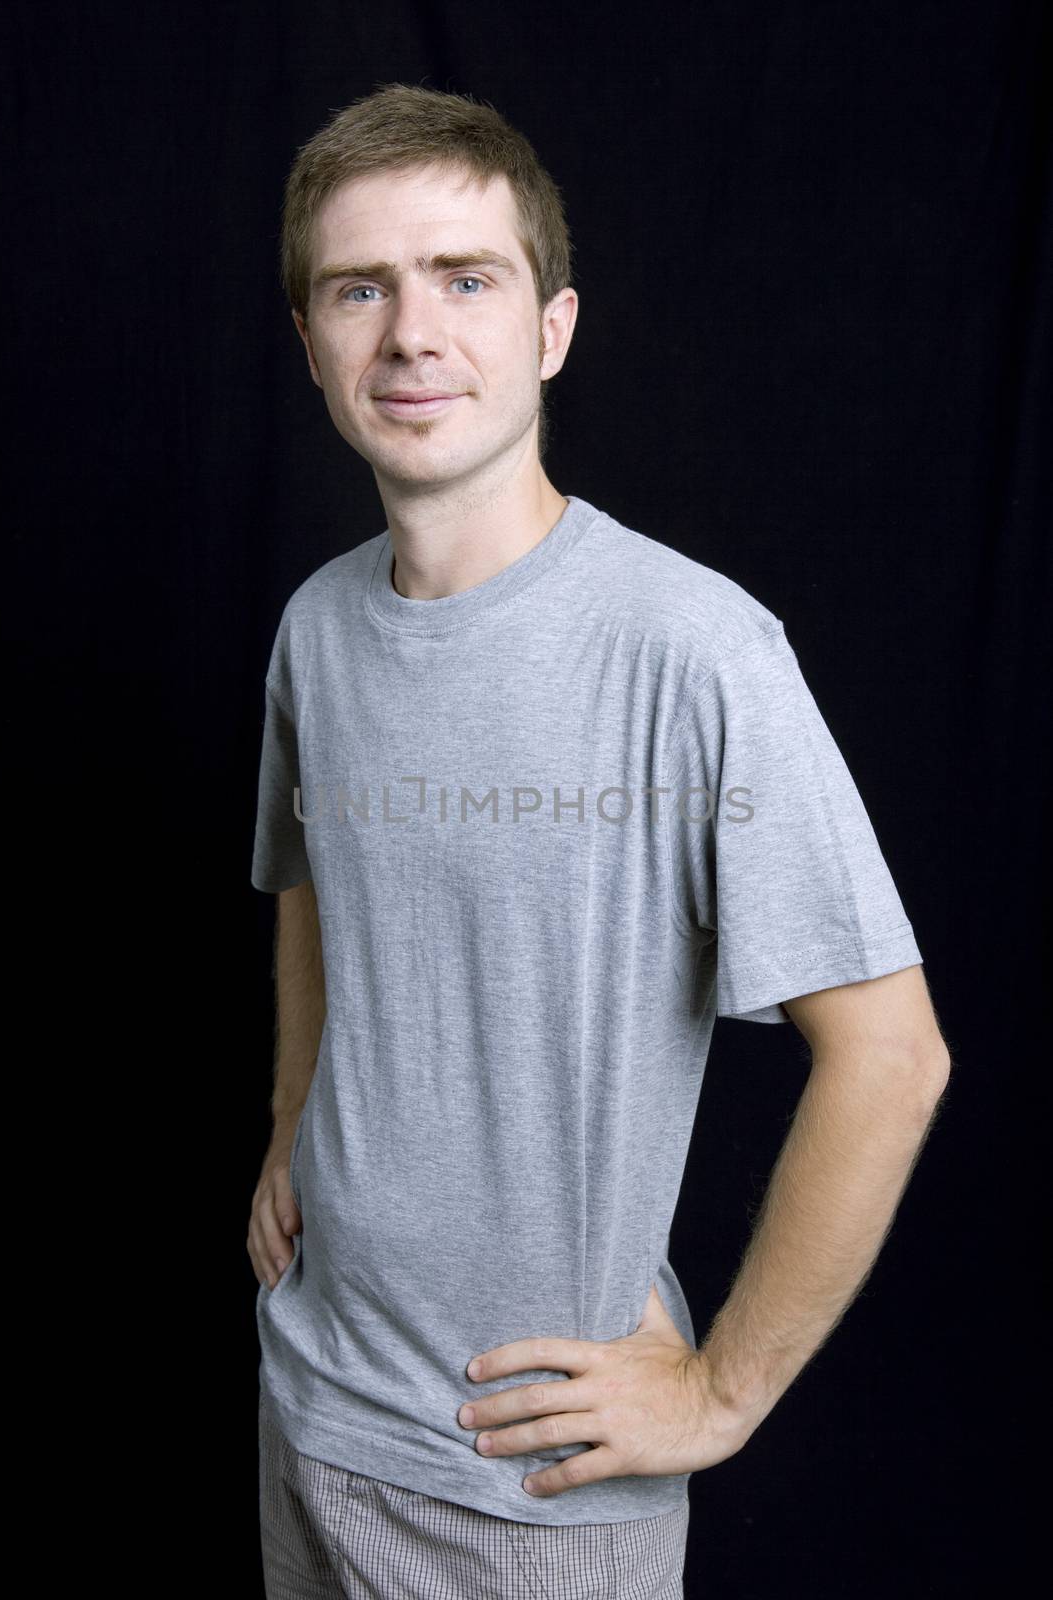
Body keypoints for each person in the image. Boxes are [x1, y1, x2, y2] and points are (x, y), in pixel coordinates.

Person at [247, 82, 951, 1600]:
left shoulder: (696, 652)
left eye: (465, 279)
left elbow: (893, 1059)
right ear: (308, 339)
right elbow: (317, 880)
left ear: (550, 330)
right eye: (359, 287)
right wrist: (294, 1115)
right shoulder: (315, 630)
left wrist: (718, 1394)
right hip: (304, 1407)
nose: (411, 333)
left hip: (528, 1486)